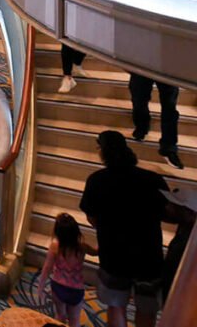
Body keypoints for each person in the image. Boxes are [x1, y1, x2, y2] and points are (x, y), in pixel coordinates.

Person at [81, 130, 169, 327]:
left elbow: (91, 217)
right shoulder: (152, 180)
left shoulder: (96, 181)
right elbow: (166, 213)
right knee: (146, 310)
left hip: (113, 255)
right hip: (148, 256)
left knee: (115, 305)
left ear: (102, 151)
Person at [36, 213, 95, 327]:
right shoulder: (82, 247)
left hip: (58, 287)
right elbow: (96, 252)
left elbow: (47, 268)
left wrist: (41, 285)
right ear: (76, 232)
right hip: (76, 290)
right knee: (74, 320)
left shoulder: (55, 247)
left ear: (58, 233)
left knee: (60, 316)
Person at [130, 70, 183, 169]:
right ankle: (141, 128)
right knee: (139, 102)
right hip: (141, 66)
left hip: (166, 67)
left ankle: (169, 148)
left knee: (170, 108)